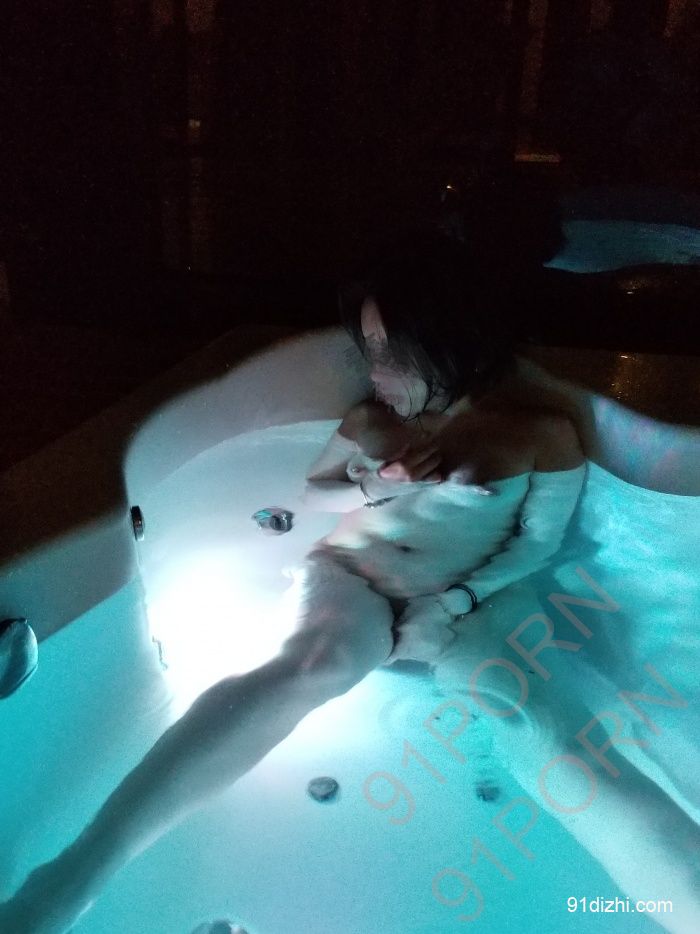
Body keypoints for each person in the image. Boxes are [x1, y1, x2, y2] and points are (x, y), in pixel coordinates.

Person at [2, 232, 698, 933]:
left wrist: (455, 601)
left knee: (535, 721)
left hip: (478, 596)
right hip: (354, 573)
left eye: (391, 353)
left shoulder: (538, 433)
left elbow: (537, 545)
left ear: (447, 338)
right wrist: (377, 486)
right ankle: (69, 878)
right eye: (370, 351)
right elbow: (315, 495)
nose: (376, 371)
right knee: (312, 663)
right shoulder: (372, 421)